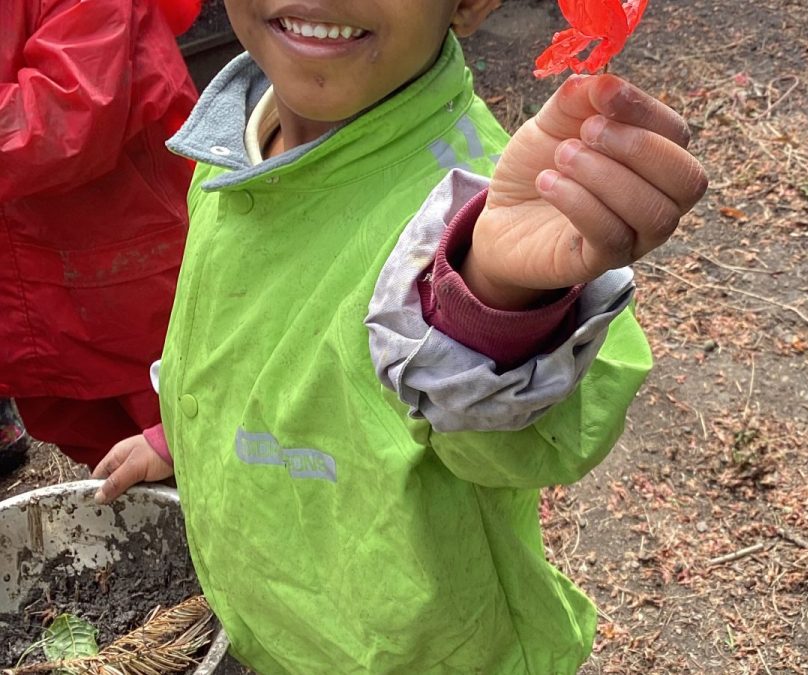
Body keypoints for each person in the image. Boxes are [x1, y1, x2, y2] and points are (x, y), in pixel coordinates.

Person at [91, 0, 708, 672]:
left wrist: (494, 295)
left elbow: (542, 435)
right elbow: (244, 326)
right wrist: (183, 428)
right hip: (277, 626)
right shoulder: (231, 143)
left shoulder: (490, 205)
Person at [0, 0, 200, 470]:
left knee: (201, 439)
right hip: (33, 313)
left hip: (128, 284)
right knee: (115, 476)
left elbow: (72, 108)